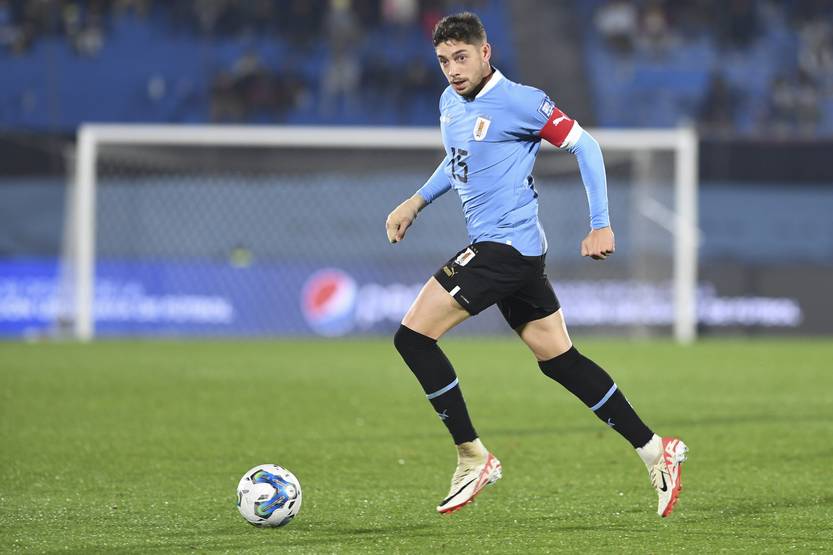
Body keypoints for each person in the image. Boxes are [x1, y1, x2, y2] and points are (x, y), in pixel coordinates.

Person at [386, 12, 688, 517]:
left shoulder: (521, 101)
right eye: (443, 61)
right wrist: (416, 201)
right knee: (559, 359)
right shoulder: (449, 102)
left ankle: (472, 456)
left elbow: (586, 145)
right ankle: (656, 450)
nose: (453, 69)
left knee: (413, 338)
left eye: (461, 57)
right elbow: (458, 158)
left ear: (485, 53)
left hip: (504, 249)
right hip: (514, 254)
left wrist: (600, 223)